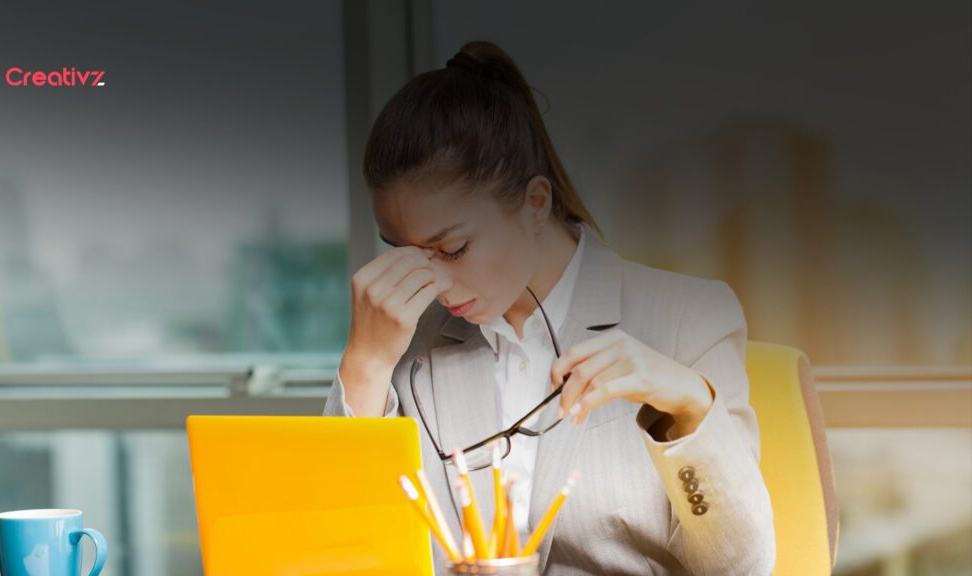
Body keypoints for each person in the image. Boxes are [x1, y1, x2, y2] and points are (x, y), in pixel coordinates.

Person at [323, 40, 775, 575]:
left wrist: (689, 406)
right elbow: (341, 550)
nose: (435, 284)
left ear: (535, 204)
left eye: (452, 249)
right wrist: (366, 365)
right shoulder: (400, 341)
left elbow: (742, 566)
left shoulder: (687, 317)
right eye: (405, 254)